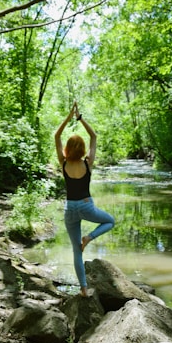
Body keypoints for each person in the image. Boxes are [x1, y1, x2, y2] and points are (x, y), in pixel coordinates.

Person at [54, 101, 115, 297]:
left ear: (68, 149)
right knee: (110, 221)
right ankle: (89, 238)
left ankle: (83, 289)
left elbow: (56, 136)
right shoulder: (88, 163)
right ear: (81, 150)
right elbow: (94, 136)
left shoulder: (63, 163)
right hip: (87, 206)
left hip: (70, 209)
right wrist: (79, 118)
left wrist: (68, 116)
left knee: (76, 251)